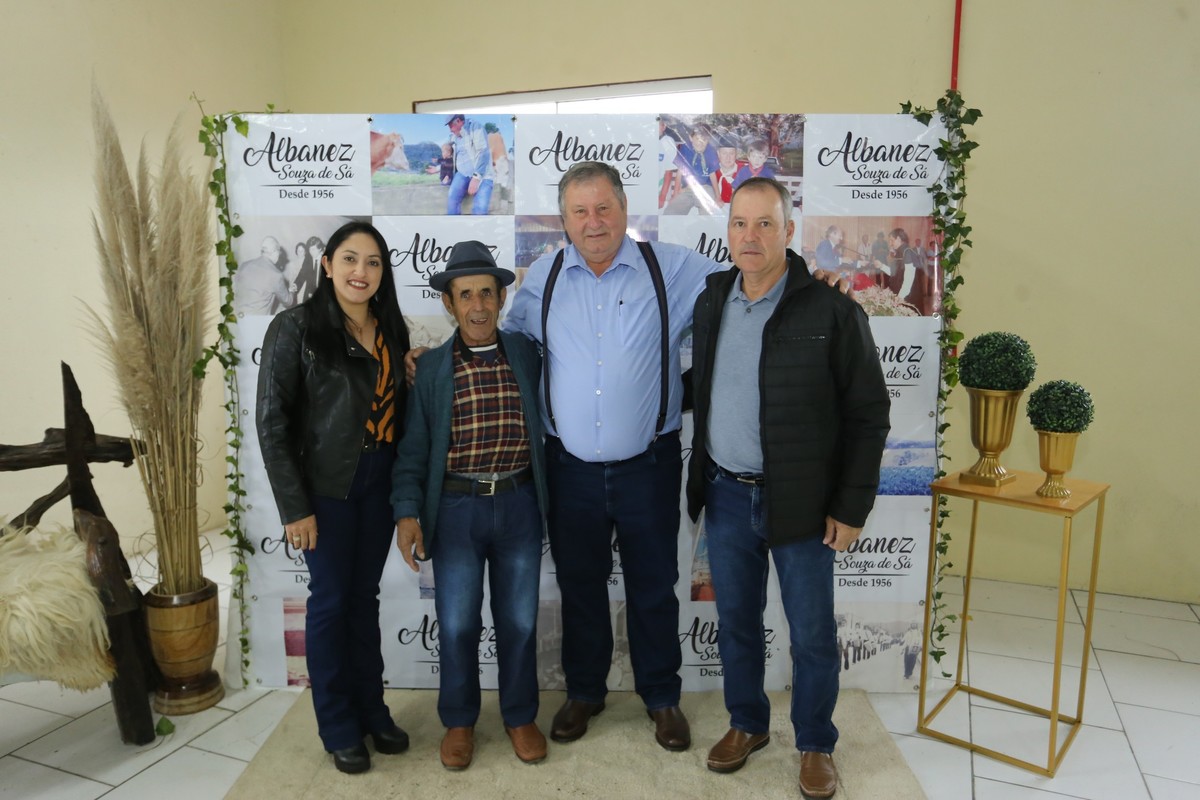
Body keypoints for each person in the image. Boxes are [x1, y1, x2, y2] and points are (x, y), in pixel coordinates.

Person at [503, 161, 726, 753]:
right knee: (580, 586)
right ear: (564, 220)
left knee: (654, 585)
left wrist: (811, 281)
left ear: (625, 211)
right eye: (580, 211)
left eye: (604, 208)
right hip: (568, 469)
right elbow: (507, 347)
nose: (594, 221)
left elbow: (747, 284)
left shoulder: (671, 268)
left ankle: (662, 697)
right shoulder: (543, 278)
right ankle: (585, 692)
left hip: (648, 466)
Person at [686, 177, 890, 798]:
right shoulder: (712, 298)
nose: (750, 237)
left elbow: (868, 414)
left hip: (802, 502)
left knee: (812, 635)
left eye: (765, 224)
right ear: (728, 231)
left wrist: (851, 507)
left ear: (789, 231)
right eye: (739, 223)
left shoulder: (832, 309)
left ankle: (815, 742)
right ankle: (747, 724)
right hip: (725, 495)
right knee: (737, 624)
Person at [256, 221, 412, 775]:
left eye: (373, 262)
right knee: (329, 603)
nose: (360, 272)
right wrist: (295, 508)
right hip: (326, 489)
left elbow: (395, 409)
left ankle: (372, 711)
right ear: (326, 265)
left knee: (363, 600)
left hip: (379, 483)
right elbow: (272, 423)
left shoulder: (390, 328)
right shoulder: (295, 327)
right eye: (349, 259)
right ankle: (339, 726)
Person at [391, 241, 549, 770]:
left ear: (502, 298)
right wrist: (407, 513)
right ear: (449, 303)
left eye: (487, 293)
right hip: (456, 510)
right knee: (458, 624)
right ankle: (459, 721)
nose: (478, 305)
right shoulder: (431, 369)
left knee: (519, 622)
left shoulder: (526, 354)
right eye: (465, 295)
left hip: (519, 504)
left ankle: (519, 716)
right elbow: (413, 449)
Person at [445, 114, 494, 215]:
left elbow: (483, 153)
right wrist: (439, 169)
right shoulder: (453, 137)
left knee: (480, 208)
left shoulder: (475, 127)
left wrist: (476, 178)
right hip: (462, 174)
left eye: (451, 126)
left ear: (458, 121)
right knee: (452, 199)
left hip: (482, 175)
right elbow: (448, 158)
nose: (450, 130)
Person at [666, 123, 720, 214]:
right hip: (687, 188)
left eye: (704, 140)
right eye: (697, 139)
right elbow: (680, 171)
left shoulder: (711, 151)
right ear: (691, 138)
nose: (700, 142)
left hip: (705, 187)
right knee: (670, 211)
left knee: (708, 211)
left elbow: (712, 174)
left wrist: (718, 197)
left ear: (708, 140)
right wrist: (675, 194)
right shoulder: (685, 148)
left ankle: (704, 222)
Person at [235, 235, 292, 315]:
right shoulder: (275, 274)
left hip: (239, 317)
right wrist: (292, 291)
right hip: (258, 319)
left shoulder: (244, 265)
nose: (278, 255)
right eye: (279, 252)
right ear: (275, 252)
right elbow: (288, 301)